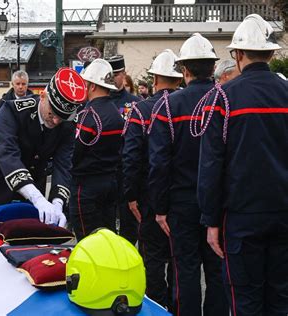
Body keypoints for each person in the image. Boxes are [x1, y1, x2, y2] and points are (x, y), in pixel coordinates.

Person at [198, 14, 288, 315]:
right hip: (283, 212)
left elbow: (211, 165)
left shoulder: (223, 97)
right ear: (271, 52)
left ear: (237, 54)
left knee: (244, 300)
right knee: (280, 298)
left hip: (241, 216)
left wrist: (211, 221)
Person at [147, 33, 229, 316]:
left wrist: (159, 208)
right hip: (220, 202)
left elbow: (158, 163)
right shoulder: (227, 100)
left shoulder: (168, 106)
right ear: (212, 66)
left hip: (181, 204)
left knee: (185, 271)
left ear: (183, 70)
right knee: (219, 271)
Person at [0, 68, 87, 233]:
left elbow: (63, 164)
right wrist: (38, 198)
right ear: (43, 97)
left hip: (33, 182)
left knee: (27, 244)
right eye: (52, 113)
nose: (55, 121)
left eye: (61, 118)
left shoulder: (66, 123)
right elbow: (8, 156)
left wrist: (57, 202)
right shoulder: (11, 110)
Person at [122, 49, 182, 310]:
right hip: (183, 195)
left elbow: (131, 156)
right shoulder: (188, 106)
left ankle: (158, 307)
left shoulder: (140, 110)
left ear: (155, 79)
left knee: (153, 259)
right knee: (181, 260)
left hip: (148, 195)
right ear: (179, 79)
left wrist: (130, 195)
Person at [69, 59, 124, 241]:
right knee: (107, 237)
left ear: (92, 86)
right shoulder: (117, 113)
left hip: (86, 186)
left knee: (87, 241)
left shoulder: (88, 114)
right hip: (110, 182)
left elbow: (76, 153)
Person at [106, 55, 141, 245]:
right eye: (110, 74)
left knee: (128, 222)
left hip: (127, 169)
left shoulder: (135, 103)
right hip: (106, 168)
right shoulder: (100, 100)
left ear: (124, 74)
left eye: (117, 74)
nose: (113, 78)